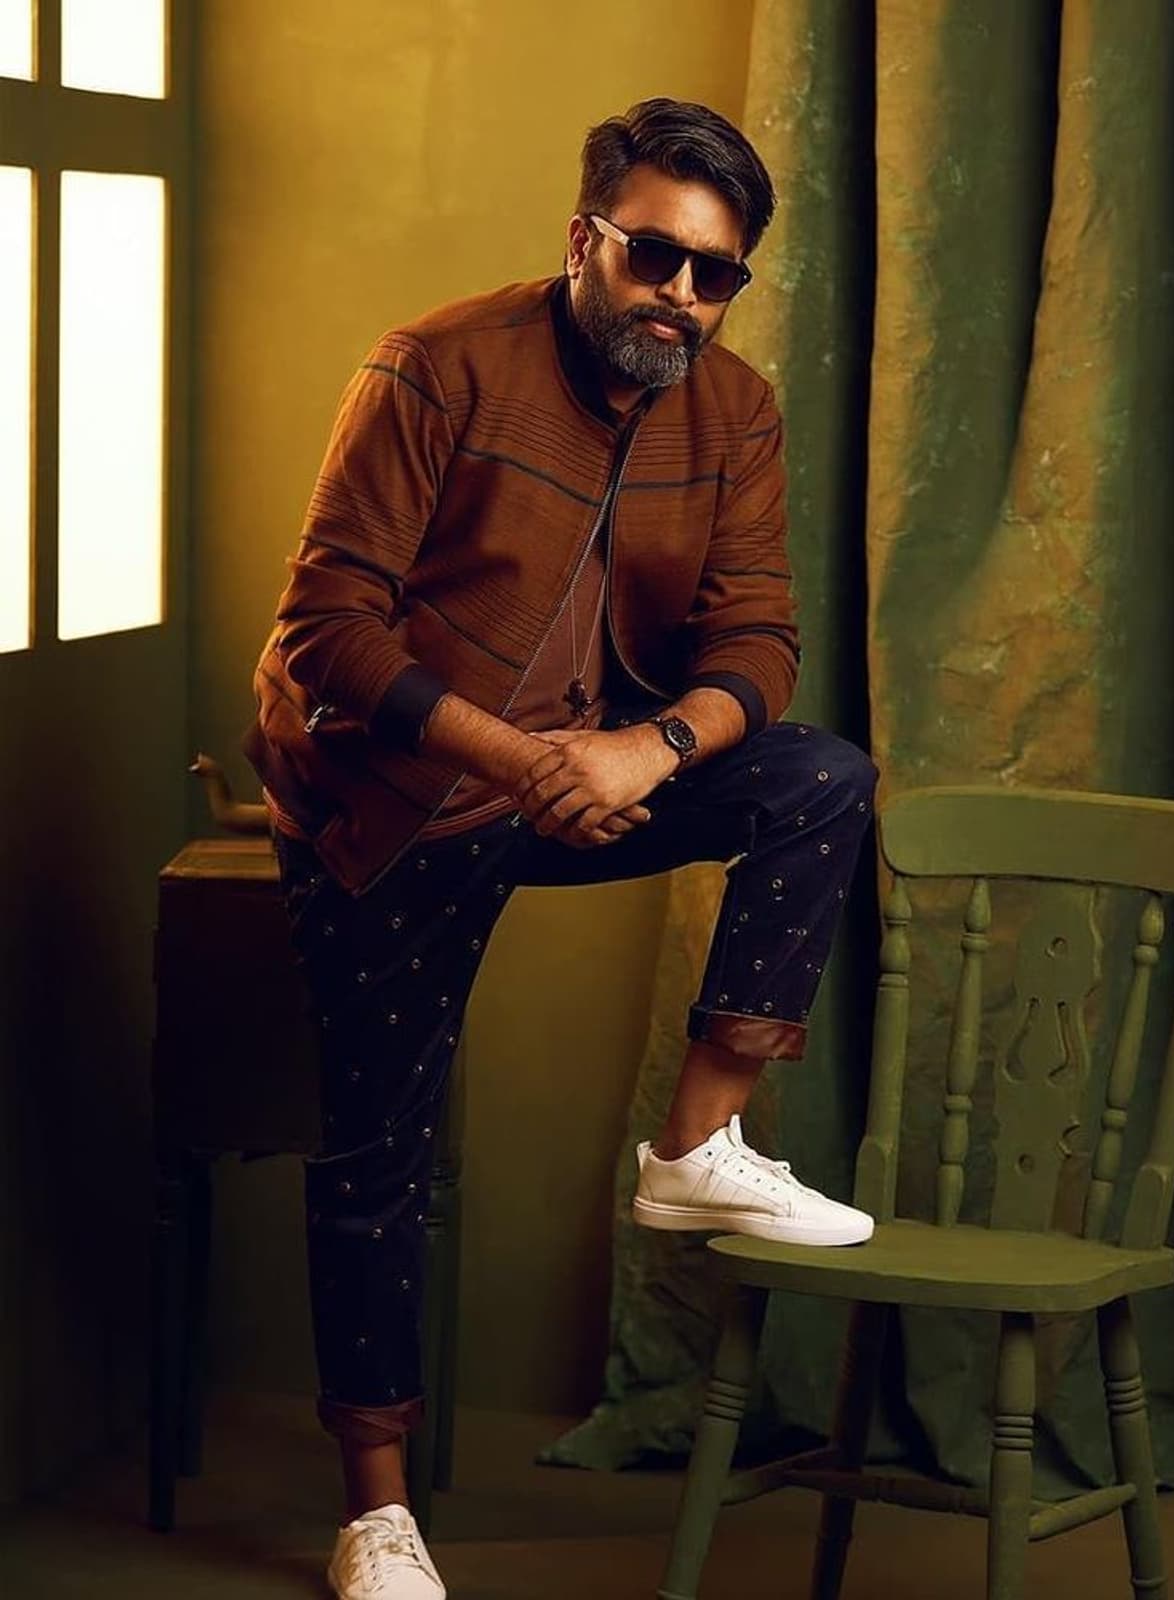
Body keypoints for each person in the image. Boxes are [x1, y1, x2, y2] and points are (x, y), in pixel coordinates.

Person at [243, 96, 878, 1600]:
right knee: (379, 1153)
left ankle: (696, 1148)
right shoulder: (436, 365)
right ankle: (376, 1515)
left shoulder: (735, 411)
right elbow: (327, 628)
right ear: (585, 237)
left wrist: (645, 752)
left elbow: (759, 640)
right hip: (400, 792)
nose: (683, 297)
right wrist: (526, 762)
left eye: (717, 274)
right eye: (656, 256)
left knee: (822, 780)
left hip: (595, 765)